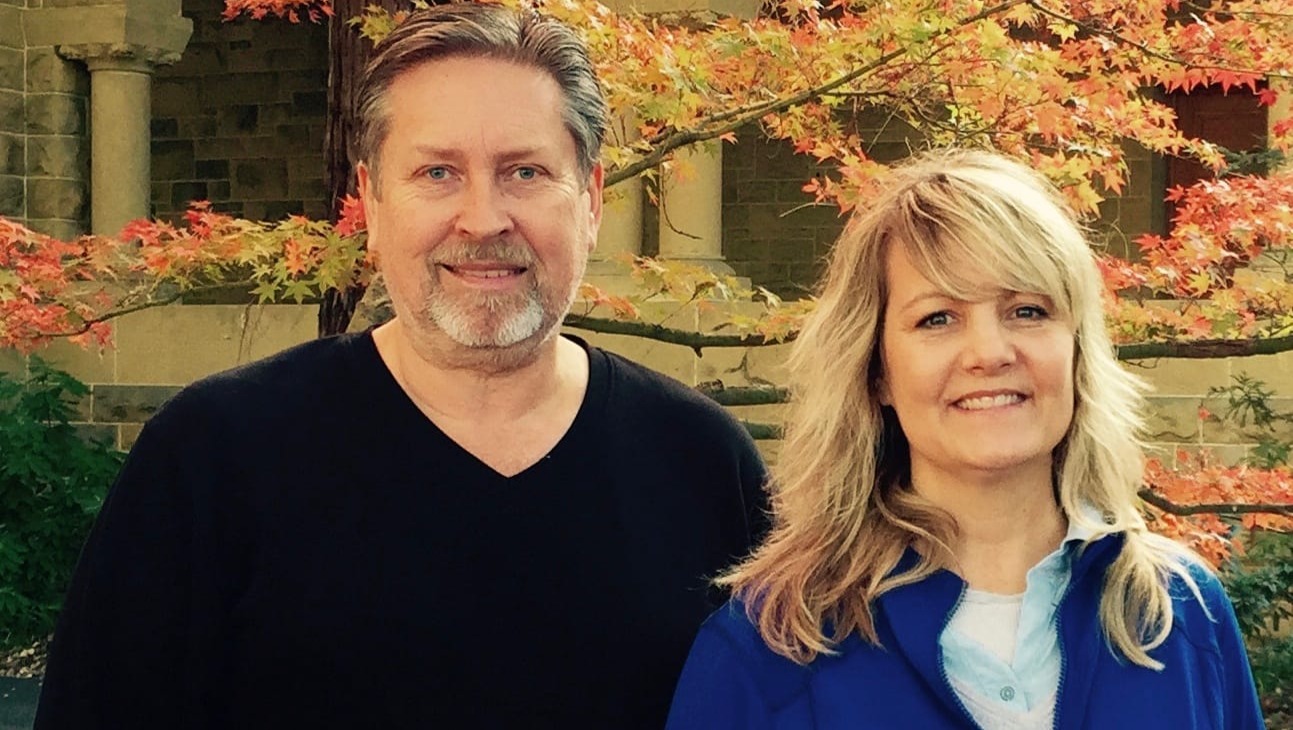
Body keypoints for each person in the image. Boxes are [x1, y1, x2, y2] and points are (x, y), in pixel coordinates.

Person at [35, 5, 767, 728]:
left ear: (591, 201)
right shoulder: (214, 456)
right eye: (437, 172)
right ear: (373, 202)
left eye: (525, 171)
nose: (483, 219)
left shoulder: (700, 462)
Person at [665, 149, 1264, 729]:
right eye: (938, 318)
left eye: (1027, 310)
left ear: (1077, 348)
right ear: (877, 372)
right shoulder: (768, 649)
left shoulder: (1185, 616)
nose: (989, 353)